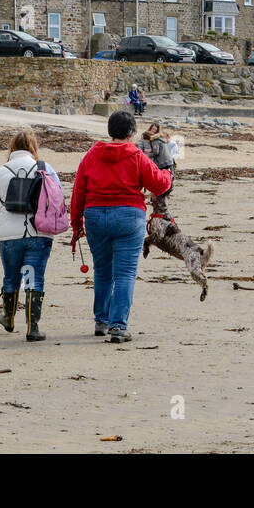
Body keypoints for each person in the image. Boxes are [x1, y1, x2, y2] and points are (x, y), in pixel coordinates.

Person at [70, 111, 173, 343]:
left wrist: (76, 225)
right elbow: (159, 183)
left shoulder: (91, 156)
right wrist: (168, 173)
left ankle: (101, 320)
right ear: (132, 133)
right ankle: (118, 325)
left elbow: (78, 193)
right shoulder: (136, 156)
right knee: (124, 273)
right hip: (128, 215)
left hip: (95, 216)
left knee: (103, 270)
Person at [0, 130, 60, 342]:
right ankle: (33, 327)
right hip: (38, 233)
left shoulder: (1, 171)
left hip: (9, 236)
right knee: (33, 277)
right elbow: (57, 196)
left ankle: (9, 318)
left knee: (11, 277)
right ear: (33, 147)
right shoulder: (45, 169)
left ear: (12, 147)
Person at [137, 122, 175, 219]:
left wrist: (150, 152)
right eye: (152, 129)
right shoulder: (155, 140)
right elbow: (141, 151)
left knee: (161, 186)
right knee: (164, 183)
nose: (153, 130)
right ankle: (160, 198)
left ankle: (159, 199)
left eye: (155, 129)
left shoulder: (155, 140)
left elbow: (156, 152)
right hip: (164, 163)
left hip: (161, 163)